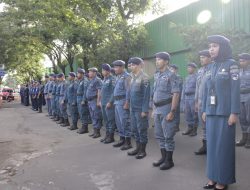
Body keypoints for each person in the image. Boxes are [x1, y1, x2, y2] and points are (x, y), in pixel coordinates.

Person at [202, 35, 240, 190]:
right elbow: (206, 90)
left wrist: (234, 112)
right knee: (211, 148)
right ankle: (212, 177)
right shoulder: (210, 67)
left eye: (215, 46)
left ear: (223, 47)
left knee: (223, 148)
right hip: (211, 113)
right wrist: (205, 109)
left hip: (225, 114)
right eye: (210, 46)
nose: (211, 49)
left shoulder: (232, 65)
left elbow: (235, 90)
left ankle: (222, 180)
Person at [152, 52, 180, 170]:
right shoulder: (157, 75)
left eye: (159, 59)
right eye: (156, 59)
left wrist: (172, 112)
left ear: (166, 61)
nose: (157, 61)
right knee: (159, 135)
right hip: (157, 108)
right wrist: (153, 109)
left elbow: (176, 94)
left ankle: (169, 160)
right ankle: (163, 158)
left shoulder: (172, 75)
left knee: (168, 135)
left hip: (166, 108)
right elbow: (155, 93)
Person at [127, 57, 150, 159]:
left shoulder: (144, 77)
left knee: (142, 130)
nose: (131, 66)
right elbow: (129, 91)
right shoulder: (131, 77)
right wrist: (127, 102)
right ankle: (137, 148)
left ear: (138, 65)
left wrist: (145, 110)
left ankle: (143, 150)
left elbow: (146, 95)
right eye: (130, 65)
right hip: (133, 108)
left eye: (133, 65)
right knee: (134, 129)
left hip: (140, 109)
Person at [194, 50, 212, 155]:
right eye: (200, 57)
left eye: (204, 57)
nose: (201, 59)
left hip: (210, 102)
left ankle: (212, 146)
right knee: (204, 125)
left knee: (211, 125)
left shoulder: (214, 69)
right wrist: (196, 101)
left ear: (210, 58)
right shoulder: (200, 71)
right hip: (200, 102)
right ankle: (205, 146)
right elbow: (197, 87)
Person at [112, 60, 132, 150]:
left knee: (125, 122)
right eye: (114, 67)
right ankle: (122, 139)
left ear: (122, 67)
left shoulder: (127, 77)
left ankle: (128, 142)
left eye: (116, 67)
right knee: (119, 122)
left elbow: (128, 91)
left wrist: (127, 102)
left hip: (123, 102)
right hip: (117, 102)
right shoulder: (118, 77)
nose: (114, 69)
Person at [236, 53, 250, 149]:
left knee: (249, 118)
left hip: (249, 95)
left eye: (243, 60)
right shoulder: (238, 72)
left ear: (248, 61)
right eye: (240, 61)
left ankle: (249, 139)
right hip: (240, 96)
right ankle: (244, 138)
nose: (241, 62)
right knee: (242, 118)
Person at [100, 64, 116, 144]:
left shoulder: (112, 79)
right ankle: (107, 135)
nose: (102, 72)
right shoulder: (104, 79)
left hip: (109, 103)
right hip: (103, 102)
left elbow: (114, 92)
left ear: (108, 71)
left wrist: (110, 102)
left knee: (110, 120)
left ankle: (111, 137)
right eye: (102, 70)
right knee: (105, 120)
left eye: (103, 70)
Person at [182, 62, 198, 136]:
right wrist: (183, 99)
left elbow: (198, 88)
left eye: (190, 67)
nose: (188, 69)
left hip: (193, 97)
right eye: (188, 67)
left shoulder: (197, 77)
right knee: (187, 114)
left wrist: (197, 100)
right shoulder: (187, 77)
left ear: (194, 68)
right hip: (186, 97)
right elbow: (184, 89)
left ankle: (194, 130)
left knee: (194, 114)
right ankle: (189, 128)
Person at [86, 67, 103, 138]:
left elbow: (99, 91)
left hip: (94, 100)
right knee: (93, 116)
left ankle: (98, 132)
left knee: (96, 116)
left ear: (94, 73)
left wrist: (98, 101)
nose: (89, 73)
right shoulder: (91, 80)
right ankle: (95, 131)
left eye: (90, 72)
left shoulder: (97, 80)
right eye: (89, 72)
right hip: (90, 101)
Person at [76, 68, 92, 134]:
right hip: (79, 97)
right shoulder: (80, 81)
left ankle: (85, 128)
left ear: (81, 74)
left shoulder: (85, 80)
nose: (77, 75)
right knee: (81, 113)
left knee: (83, 113)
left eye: (78, 73)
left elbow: (85, 91)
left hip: (82, 98)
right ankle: (83, 127)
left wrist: (84, 100)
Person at [169, 64, 183, 132]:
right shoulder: (170, 77)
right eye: (170, 69)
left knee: (176, 112)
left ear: (176, 70)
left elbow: (178, 89)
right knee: (171, 111)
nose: (171, 70)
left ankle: (176, 126)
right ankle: (172, 125)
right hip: (170, 98)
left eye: (172, 69)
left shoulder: (178, 77)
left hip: (176, 97)